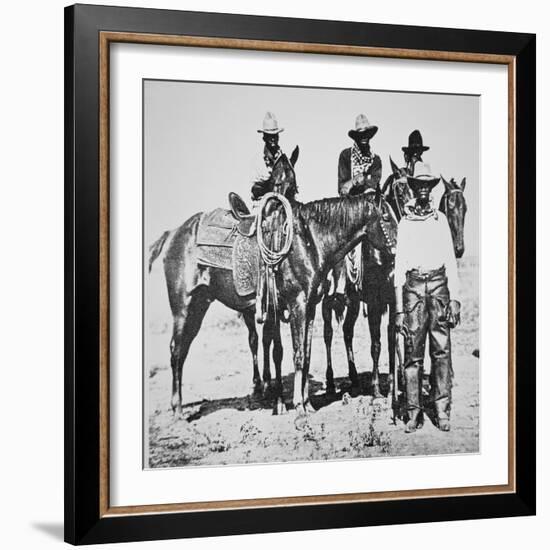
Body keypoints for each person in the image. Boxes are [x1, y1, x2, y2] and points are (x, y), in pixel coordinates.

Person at [394, 162, 461, 433]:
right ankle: (413, 412)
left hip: (438, 287)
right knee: (412, 352)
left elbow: (450, 260)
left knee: (441, 350)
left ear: (431, 189)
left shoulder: (441, 220)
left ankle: (441, 410)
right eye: (418, 185)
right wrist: (399, 309)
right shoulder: (405, 223)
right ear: (413, 188)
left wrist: (454, 298)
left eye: (427, 185)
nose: (423, 190)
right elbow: (399, 267)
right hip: (413, 291)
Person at [334, 114, 383, 297]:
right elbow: (342, 188)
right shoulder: (346, 156)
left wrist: (357, 181)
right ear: (356, 137)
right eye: (361, 134)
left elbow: (374, 184)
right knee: (340, 242)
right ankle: (338, 285)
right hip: (351, 208)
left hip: (370, 208)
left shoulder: (376, 159)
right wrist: (359, 180)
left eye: (367, 134)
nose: (364, 137)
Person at [251, 112, 285, 201]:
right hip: (262, 200)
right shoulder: (259, 159)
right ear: (264, 138)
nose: (273, 139)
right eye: (270, 136)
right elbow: (256, 187)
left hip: (282, 199)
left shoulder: (282, 157)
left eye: (275, 136)